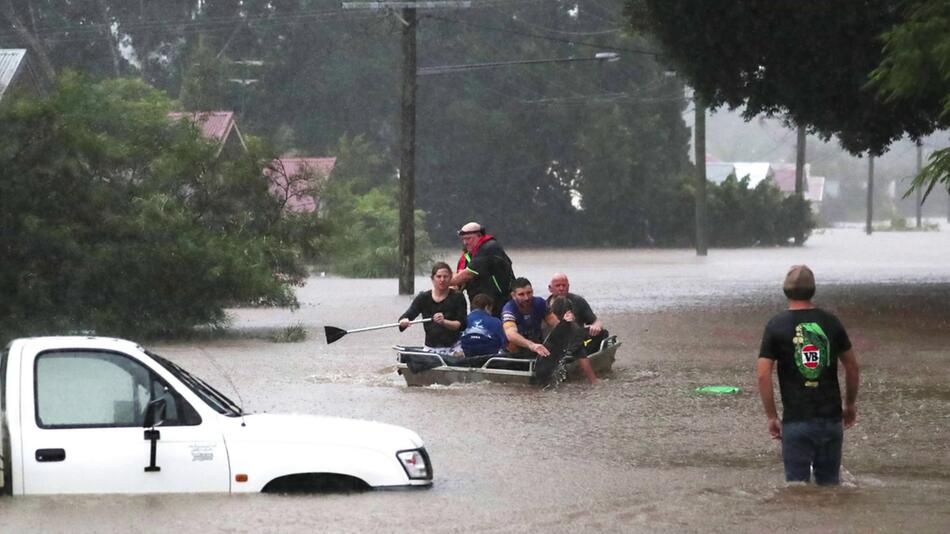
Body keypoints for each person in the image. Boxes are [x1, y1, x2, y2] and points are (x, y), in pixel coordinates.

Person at [757, 265, 860, 486]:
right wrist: (849, 404)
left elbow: (763, 375)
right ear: (813, 290)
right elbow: (852, 367)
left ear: (785, 290)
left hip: (796, 421)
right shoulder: (831, 322)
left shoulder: (776, 326)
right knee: (831, 488)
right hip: (831, 420)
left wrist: (772, 416)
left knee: (796, 491)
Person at [398, 261, 467, 352]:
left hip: (453, 348)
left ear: (450, 278)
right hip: (430, 348)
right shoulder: (423, 297)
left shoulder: (458, 297)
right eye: (438, 277)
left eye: (445, 277)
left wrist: (444, 322)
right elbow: (406, 316)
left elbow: (461, 325)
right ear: (432, 279)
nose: (442, 280)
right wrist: (403, 322)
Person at [450, 222, 514, 317]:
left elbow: (466, 275)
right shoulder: (468, 256)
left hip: (500, 303)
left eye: (468, 238)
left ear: (480, 236)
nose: (465, 242)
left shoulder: (490, 247)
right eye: (463, 239)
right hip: (478, 304)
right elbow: (458, 283)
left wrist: (441, 282)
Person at [539, 296, 598, 385]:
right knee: (598, 336)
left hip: (548, 351)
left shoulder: (544, 321)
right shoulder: (572, 328)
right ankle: (593, 380)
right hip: (565, 350)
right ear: (569, 312)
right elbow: (578, 344)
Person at [547, 272, 607, 351]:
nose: (561, 289)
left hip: (577, 339)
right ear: (550, 288)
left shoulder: (578, 301)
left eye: (564, 285)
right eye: (557, 286)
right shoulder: (545, 305)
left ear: (568, 287)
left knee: (603, 333)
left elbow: (596, 321)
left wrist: (596, 327)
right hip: (555, 341)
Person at [501, 277, 552, 357]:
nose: (526, 298)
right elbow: (510, 334)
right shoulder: (509, 309)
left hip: (537, 350)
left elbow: (556, 324)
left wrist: (566, 322)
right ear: (513, 295)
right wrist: (531, 345)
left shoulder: (540, 303)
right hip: (513, 354)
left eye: (529, 293)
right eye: (521, 294)